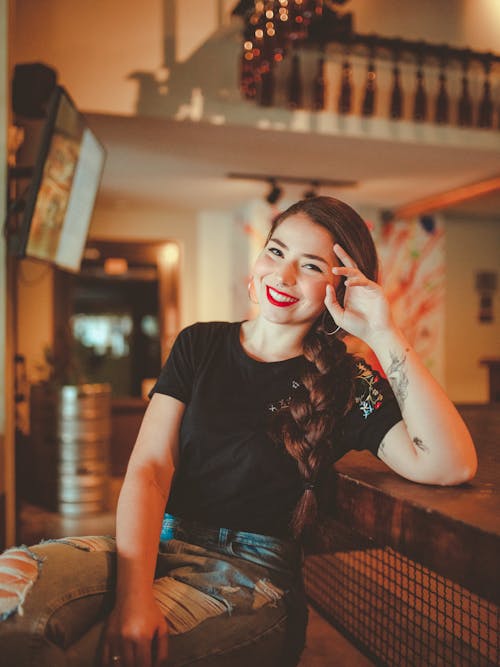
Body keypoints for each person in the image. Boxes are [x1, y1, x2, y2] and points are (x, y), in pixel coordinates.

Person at [0, 196, 477, 667]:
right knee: (9, 607)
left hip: (253, 578)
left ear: (342, 289)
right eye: (276, 251)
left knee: (100, 656)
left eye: (311, 266)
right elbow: (149, 470)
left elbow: (449, 463)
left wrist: (384, 334)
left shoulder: (349, 383)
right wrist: (134, 596)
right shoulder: (199, 344)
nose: (284, 275)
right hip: (158, 543)